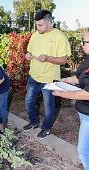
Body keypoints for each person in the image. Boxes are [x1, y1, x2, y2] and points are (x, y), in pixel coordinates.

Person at [23, 10, 71, 139]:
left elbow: (63, 60)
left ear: (50, 23)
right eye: (36, 25)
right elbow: (29, 52)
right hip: (34, 76)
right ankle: (33, 122)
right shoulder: (35, 35)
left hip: (50, 79)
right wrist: (27, 56)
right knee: (28, 103)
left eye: (40, 25)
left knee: (49, 108)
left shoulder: (59, 37)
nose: (37, 28)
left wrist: (48, 58)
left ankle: (46, 128)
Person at [53, 29, 89, 169]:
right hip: (83, 111)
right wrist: (64, 80)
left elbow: (87, 93)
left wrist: (62, 93)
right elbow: (79, 76)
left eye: (84, 42)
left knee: (82, 150)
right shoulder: (87, 58)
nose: (82, 45)